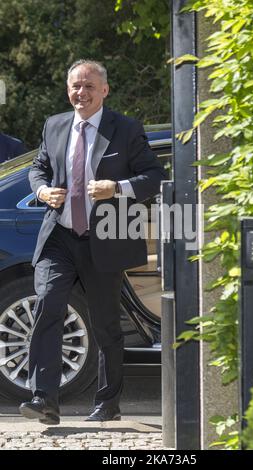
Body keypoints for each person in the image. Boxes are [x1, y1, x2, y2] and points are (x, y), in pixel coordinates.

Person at [19, 59, 166, 425]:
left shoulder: (126, 129)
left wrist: (117, 189)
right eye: (75, 86)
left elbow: (154, 176)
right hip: (60, 236)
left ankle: (107, 403)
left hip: (105, 238)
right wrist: (42, 190)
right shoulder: (54, 125)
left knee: (105, 326)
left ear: (104, 90)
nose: (80, 93)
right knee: (48, 307)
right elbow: (37, 166)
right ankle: (44, 398)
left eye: (87, 86)